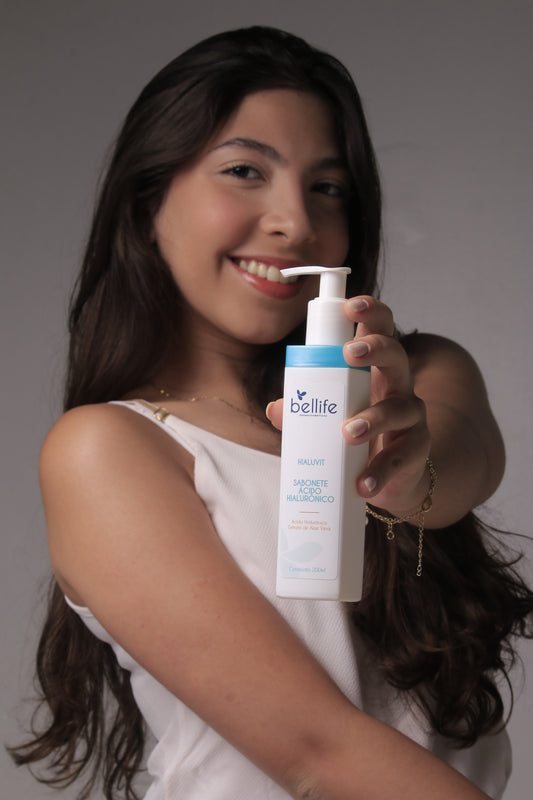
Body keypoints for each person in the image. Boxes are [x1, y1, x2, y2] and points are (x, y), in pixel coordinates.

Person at [8, 25, 533, 800]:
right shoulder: (109, 449)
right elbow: (319, 755)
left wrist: (407, 464)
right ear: (148, 200)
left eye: (328, 187)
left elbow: (457, 469)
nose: (295, 222)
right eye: (244, 171)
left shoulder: (418, 373)